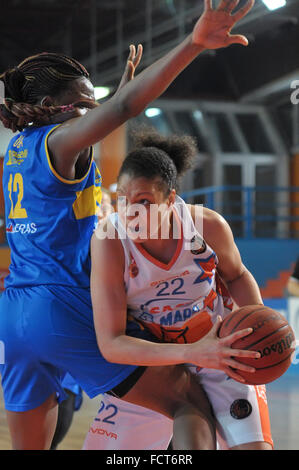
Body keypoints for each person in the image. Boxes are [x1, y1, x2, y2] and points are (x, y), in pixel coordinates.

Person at [0, 0, 257, 450]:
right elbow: (123, 108)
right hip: (62, 305)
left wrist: (105, 101)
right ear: (48, 107)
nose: (92, 114)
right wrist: (193, 44)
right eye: (84, 105)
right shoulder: (59, 143)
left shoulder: (15, 151)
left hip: (16, 313)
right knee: (190, 404)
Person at [90, 127, 273, 451]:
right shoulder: (109, 240)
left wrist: (257, 326)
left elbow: (237, 275)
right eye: (123, 200)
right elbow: (111, 344)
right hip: (154, 365)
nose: (131, 213)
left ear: (171, 200)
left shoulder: (207, 226)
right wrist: (190, 352)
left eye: (144, 202)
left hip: (220, 352)